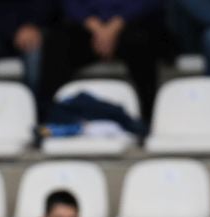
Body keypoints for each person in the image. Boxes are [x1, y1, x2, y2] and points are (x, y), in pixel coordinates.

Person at [39, 0, 168, 126]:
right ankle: (47, 119)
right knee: (57, 43)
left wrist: (115, 26)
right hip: (86, 27)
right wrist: (96, 28)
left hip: (132, 24)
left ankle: (148, 121)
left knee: (142, 44)